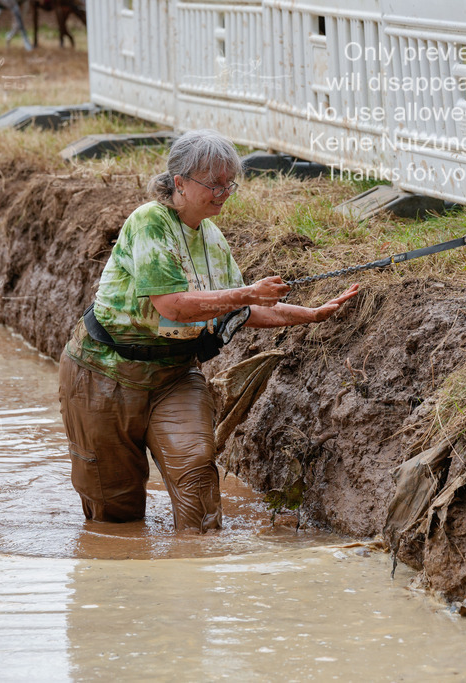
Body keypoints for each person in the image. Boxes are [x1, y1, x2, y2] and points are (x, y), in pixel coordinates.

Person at [58, 129, 359, 533]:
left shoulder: (213, 238)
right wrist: (247, 292)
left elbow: (242, 308)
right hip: (102, 374)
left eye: (229, 182)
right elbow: (173, 305)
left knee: (198, 476)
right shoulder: (149, 222)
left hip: (174, 376)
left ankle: (198, 575)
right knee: (115, 509)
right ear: (179, 183)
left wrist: (311, 314)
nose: (224, 191)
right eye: (213, 183)